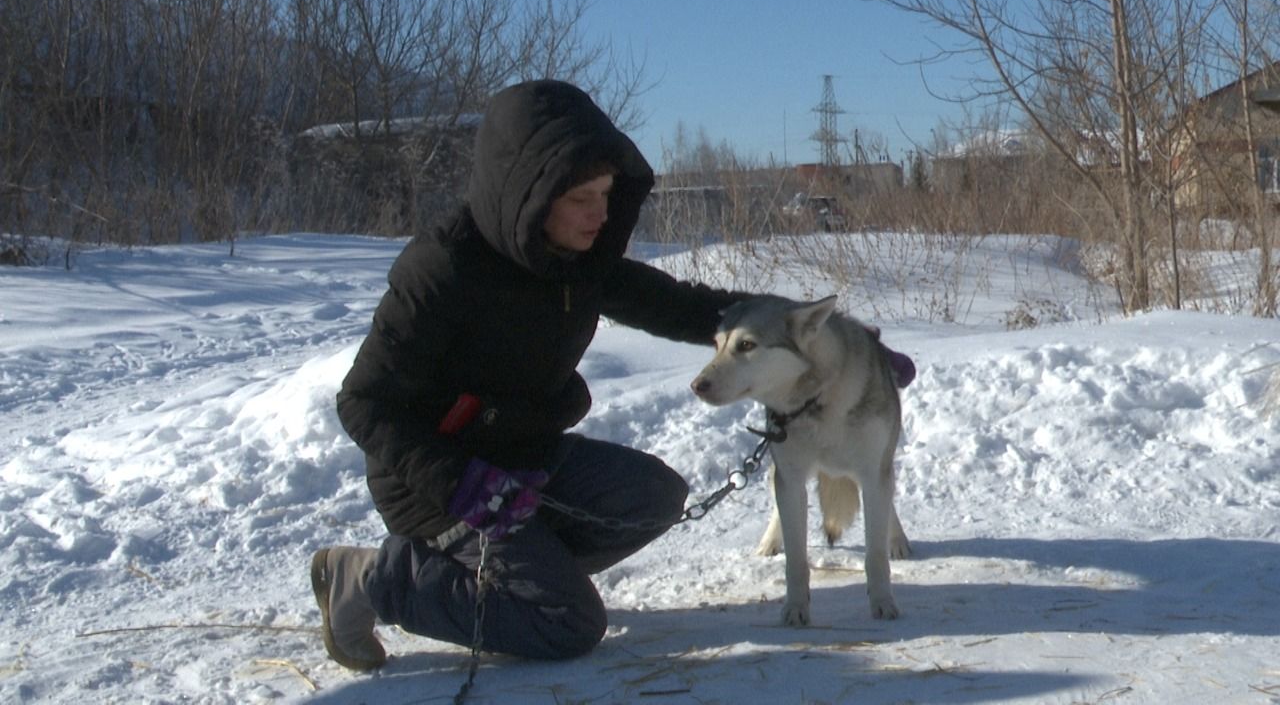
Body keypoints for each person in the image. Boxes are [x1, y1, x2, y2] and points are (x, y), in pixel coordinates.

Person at [311, 79, 914, 670]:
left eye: (605, 193)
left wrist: (838, 344)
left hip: (521, 456)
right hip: (437, 484)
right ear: (531, 193)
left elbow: (692, 308)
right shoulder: (442, 271)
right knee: (567, 625)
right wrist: (457, 482)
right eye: (581, 198)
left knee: (653, 498)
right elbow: (363, 403)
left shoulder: (580, 262)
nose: (600, 213)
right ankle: (372, 578)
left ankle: (514, 573)